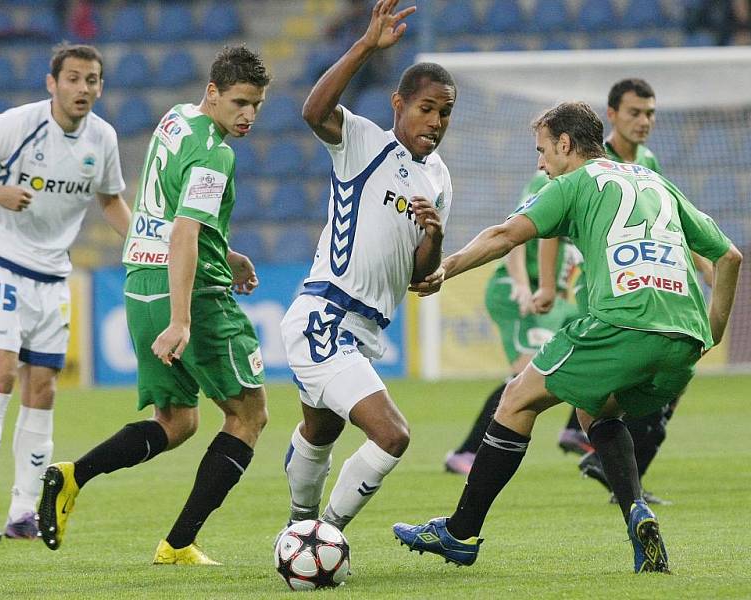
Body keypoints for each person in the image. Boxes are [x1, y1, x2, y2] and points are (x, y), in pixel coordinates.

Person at [394, 101, 742, 573]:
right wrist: (712, 334)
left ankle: (460, 532)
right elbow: (730, 258)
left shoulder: (576, 182)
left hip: (623, 322)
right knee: (595, 407)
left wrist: (443, 268)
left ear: (565, 144)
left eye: (542, 150)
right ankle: (637, 513)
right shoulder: (655, 180)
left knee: (516, 400)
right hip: (684, 337)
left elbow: (503, 235)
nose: (540, 163)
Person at [36, 46, 271, 565]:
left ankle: (73, 474)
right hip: (193, 295)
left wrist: (226, 252)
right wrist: (183, 319)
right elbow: (186, 230)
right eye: (239, 102)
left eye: (256, 104)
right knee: (248, 415)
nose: (248, 115)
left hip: (139, 279)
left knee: (178, 420)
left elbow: (166, 207)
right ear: (213, 92)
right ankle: (178, 543)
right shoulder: (216, 154)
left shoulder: (177, 119)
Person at [280, 0, 454, 532]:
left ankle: (298, 526)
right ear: (399, 103)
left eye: (445, 113)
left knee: (319, 433)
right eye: (426, 108)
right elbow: (312, 112)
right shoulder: (364, 142)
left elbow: (419, 276)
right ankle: (324, 533)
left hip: (364, 331)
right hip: (325, 318)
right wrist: (363, 45)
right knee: (393, 434)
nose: (436, 121)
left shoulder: (439, 181)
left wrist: (436, 238)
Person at [0, 43, 130, 541]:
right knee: (2, 371)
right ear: (52, 83)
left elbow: (110, 199)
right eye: (73, 78)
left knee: (44, 387)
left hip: (53, 276)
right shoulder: (17, 123)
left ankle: (23, 509)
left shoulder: (103, 137)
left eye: (92, 80)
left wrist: (141, 245)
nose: (83, 88)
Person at [536, 79, 711, 504]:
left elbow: (666, 222)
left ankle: (615, 469)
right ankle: (598, 452)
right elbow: (547, 224)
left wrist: (705, 266)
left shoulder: (647, 162)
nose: (644, 121)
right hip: (606, 286)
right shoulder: (585, 158)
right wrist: (546, 285)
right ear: (611, 115)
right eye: (635, 112)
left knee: (663, 379)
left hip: (645, 284)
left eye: (650, 113)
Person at [443, 172, 583, 476]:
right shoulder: (545, 183)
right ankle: (467, 451)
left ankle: (577, 430)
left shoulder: (585, 186)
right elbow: (515, 237)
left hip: (554, 300)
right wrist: (521, 284)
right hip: (520, 292)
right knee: (524, 374)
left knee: (596, 342)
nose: (542, 160)